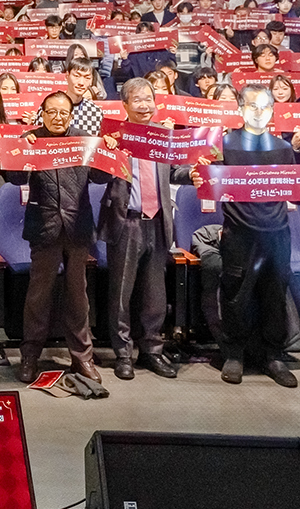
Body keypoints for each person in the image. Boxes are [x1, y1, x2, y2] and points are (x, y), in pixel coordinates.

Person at [207, 87, 300, 387]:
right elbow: (207, 181)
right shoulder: (224, 145)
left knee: (275, 294)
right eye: (252, 106)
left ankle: (273, 355)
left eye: (265, 106)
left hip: (277, 233)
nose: (259, 112)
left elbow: (297, 189)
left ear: (273, 110)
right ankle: (234, 354)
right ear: (240, 108)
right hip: (239, 232)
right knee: (236, 294)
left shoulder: (283, 148)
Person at [14, 91, 106, 385]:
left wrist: (109, 152)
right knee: (38, 296)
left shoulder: (84, 140)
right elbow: (14, 178)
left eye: (63, 112)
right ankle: (30, 355)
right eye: (51, 112)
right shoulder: (31, 139)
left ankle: (82, 358)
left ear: (71, 115)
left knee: (78, 296)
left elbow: (101, 177)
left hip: (77, 227)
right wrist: (22, 152)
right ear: (42, 114)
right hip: (44, 227)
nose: (57, 117)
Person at [102, 79, 178, 381]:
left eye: (149, 99)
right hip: (127, 221)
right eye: (138, 100)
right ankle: (123, 354)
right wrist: (108, 152)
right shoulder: (113, 136)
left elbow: (175, 171)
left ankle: (152, 350)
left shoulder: (164, 135)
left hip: (158, 220)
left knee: (155, 293)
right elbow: (97, 175)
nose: (145, 105)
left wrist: (196, 171)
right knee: (121, 293)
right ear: (125, 105)